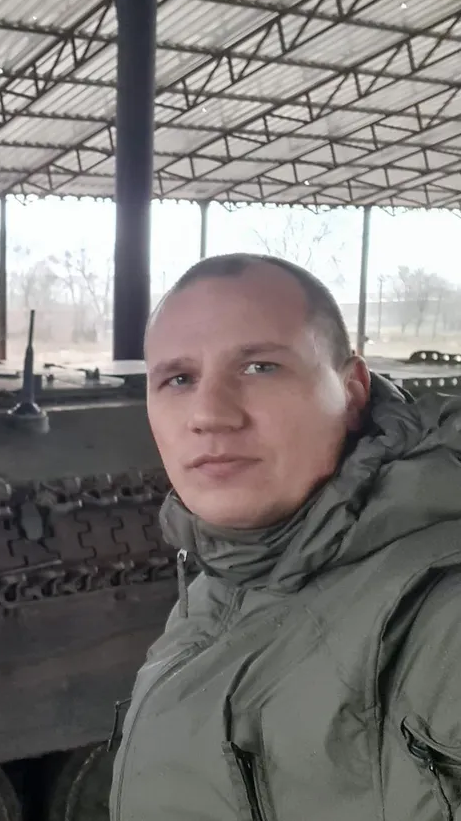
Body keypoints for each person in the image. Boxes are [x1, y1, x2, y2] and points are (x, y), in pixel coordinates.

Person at [111, 252, 461, 820]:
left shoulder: (440, 623)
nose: (210, 415)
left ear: (350, 392)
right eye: (178, 378)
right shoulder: (219, 585)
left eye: (260, 368)